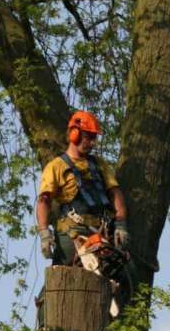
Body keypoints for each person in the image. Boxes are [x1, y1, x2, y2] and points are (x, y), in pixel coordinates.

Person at [36, 110, 130, 265]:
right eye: (89, 137)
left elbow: (115, 193)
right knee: (63, 274)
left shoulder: (100, 164)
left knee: (118, 273)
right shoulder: (56, 166)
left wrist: (121, 225)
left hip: (101, 232)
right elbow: (44, 201)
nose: (92, 143)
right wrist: (45, 233)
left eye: (94, 138)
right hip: (72, 233)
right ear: (74, 134)